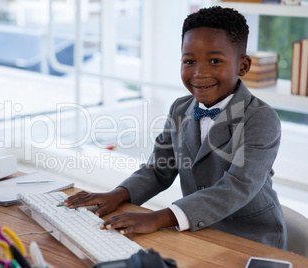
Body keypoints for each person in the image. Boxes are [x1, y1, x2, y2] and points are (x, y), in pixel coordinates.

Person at [65, 6, 287, 250]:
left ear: (243, 66)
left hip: (250, 239)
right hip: (196, 231)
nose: (199, 73)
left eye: (215, 61)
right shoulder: (180, 109)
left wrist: (159, 217)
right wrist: (117, 194)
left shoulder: (261, 118)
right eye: (189, 61)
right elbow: (159, 169)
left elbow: (236, 187)